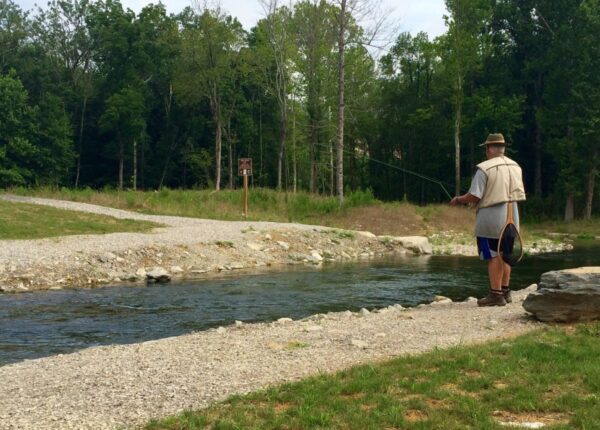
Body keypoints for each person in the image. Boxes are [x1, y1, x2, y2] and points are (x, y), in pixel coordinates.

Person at [450, 133, 526, 306]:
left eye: (486, 147)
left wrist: (459, 200)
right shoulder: (515, 166)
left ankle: (495, 295)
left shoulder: (484, 168)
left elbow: (474, 196)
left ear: (489, 148)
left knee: (493, 256)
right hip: (513, 218)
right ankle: (505, 292)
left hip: (491, 220)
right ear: (502, 148)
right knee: (506, 254)